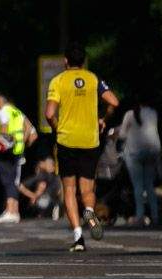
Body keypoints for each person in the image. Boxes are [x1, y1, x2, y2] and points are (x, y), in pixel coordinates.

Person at [46, 45, 120, 252]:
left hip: (67, 139)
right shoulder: (93, 79)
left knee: (69, 188)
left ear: (65, 61)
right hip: (90, 140)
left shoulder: (58, 81)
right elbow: (114, 101)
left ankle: (78, 237)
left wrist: (57, 128)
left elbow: (49, 113)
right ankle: (89, 210)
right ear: (84, 61)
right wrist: (104, 119)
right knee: (87, 188)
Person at [119, 98, 162, 227]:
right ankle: (155, 216)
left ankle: (140, 216)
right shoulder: (153, 113)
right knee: (149, 185)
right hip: (153, 151)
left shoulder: (130, 114)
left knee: (138, 186)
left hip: (135, 153)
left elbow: (122, 135)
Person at [0, 93, 33, 223]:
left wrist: (4, 142)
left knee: (8, 180)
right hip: (17, 150)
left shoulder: (3, 111)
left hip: (6, 150)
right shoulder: (16, 111)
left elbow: (4, 128)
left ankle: (10, 211)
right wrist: (22, 141)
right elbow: (29, 128)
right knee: (14, 181)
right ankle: (14, 211)